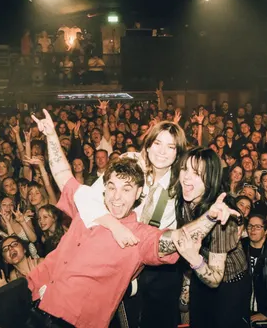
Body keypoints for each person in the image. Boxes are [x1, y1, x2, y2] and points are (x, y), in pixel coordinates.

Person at [0, 109, 237, 328]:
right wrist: (51, 136)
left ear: (138, 193)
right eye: (112, 186)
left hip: (85, 300)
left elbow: (174, 239)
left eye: (171, 147)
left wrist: (210, 217)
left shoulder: (173, 193)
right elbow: (64, 176)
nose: (117, 195)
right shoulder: (95, 199)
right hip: (39, 284)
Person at [74, 115, 188, 328]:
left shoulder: (183, 181)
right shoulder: (130, 163)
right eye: (157, 143)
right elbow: (85, 198)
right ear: (148, 144)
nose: (162, 152)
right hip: (118, 253)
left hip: (159, 267)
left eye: (170, 147)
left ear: (178, 152)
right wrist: (114, 226)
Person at [174, 148, 250, 328]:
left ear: (210, 179)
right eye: (184, 169)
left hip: (228, 286)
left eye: (196, 173)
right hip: (199, 274)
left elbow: (215, 279)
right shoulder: (184, 199)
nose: (186, 178)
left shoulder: (222, 217)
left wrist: (193, 258)